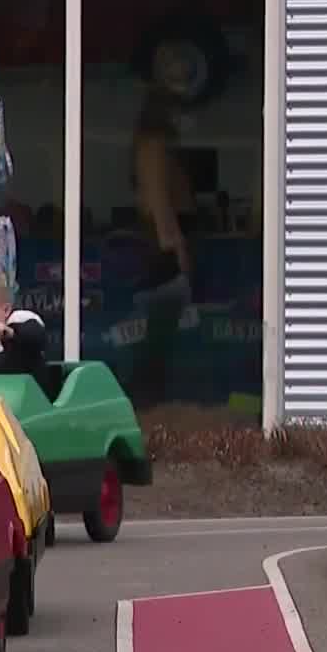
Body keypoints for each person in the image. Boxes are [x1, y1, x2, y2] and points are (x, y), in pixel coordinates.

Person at [131, 82, 194, 409]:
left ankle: (152, 395)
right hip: (161, 248)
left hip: (159, 244)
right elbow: (158, 200)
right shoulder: (153, 145)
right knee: (160, 331)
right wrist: (176, 246)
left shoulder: (154, 145)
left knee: (161, 331)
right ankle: (150, 399)